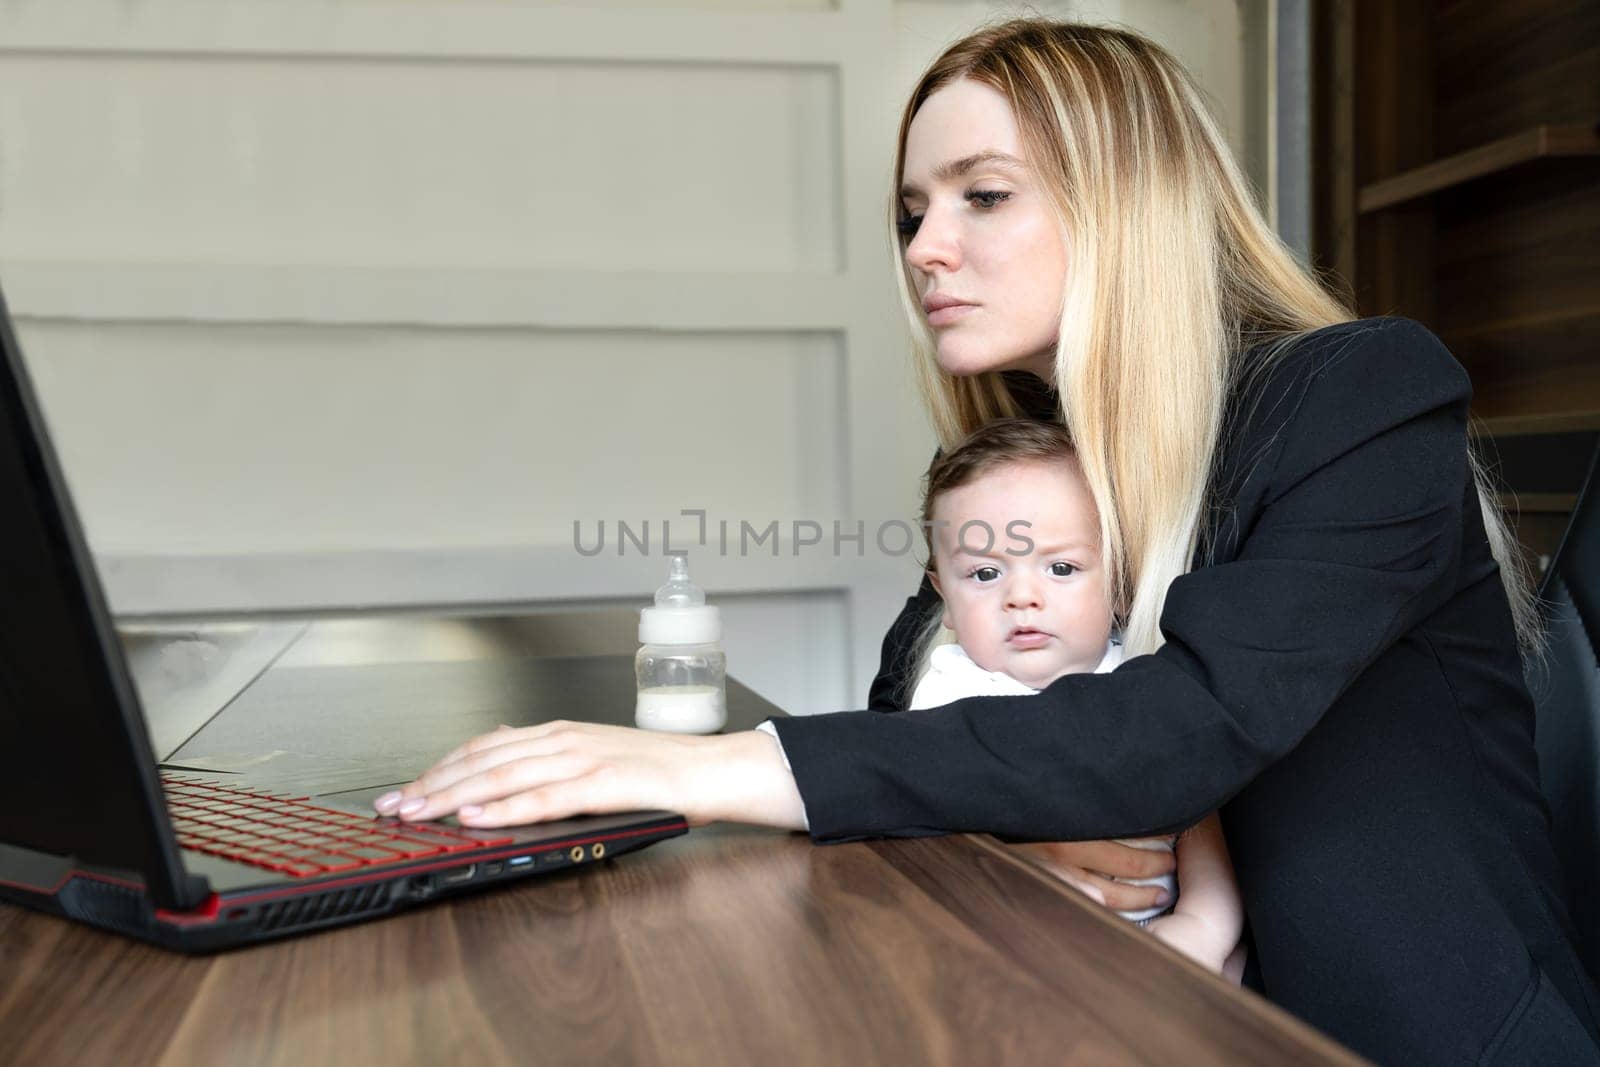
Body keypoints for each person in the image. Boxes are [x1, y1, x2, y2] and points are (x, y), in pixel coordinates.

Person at [374, 20, 1600, 1063]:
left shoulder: (1359, 394)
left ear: (1129, 199)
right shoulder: (1032, 450)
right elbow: (919, 699)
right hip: (1129, 999)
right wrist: (1029, 813)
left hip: (1394, 1029)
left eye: (982, 194)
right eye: (912, 210)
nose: (921, 248)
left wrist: (705, 770)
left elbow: (1190, 724)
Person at [910, 416, 1243, 979]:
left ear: (1117, 580)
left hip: (1155, 952)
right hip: (1005, 950)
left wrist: (1204, 929)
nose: (1022, 597)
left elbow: (1201, 820)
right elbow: (926, 833)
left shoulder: (1150, 682)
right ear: (943, 593)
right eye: (985, 573)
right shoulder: (950, 693)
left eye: (1061, 568)